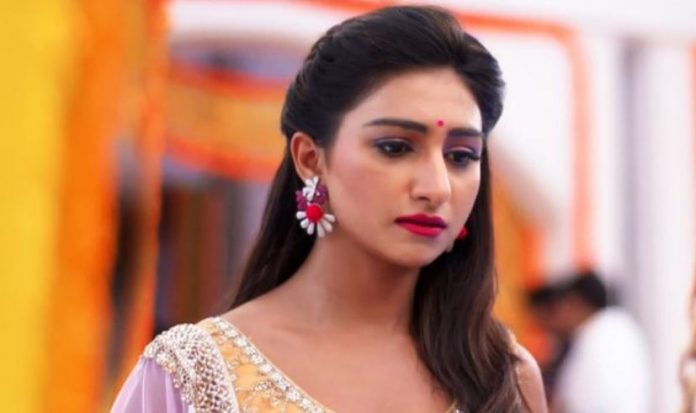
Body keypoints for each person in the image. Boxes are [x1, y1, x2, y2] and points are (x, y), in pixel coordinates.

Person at [111, 6, 546, 413]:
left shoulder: (502, 378)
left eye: (461, 156)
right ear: (310, 159)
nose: (436, 187)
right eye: (395, 148)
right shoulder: (191, 375)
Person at [527, 270, 651, 413]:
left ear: (574, 303)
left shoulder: (596, 337)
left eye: (555, 311)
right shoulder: (622, 327)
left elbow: (577, 405)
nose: (551, 325)